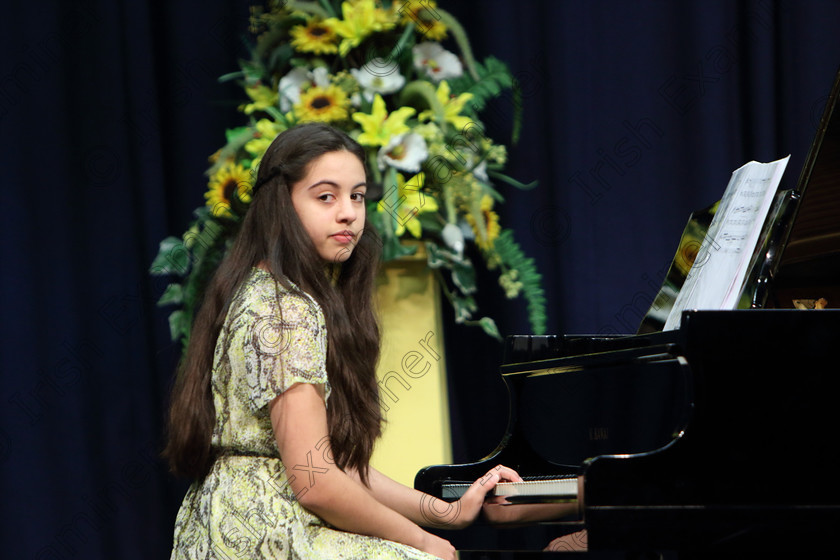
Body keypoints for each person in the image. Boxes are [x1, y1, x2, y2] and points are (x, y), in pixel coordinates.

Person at [164, 122, 525, 560]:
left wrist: (444, 513)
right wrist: (427, 543)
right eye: (325, 196)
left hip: (223, 523)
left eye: (357, 196)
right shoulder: (287, 309)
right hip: (270, 531)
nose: (349, 213)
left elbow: (334, 468)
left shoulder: (258, 288)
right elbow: (316, 483)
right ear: (282, 204)